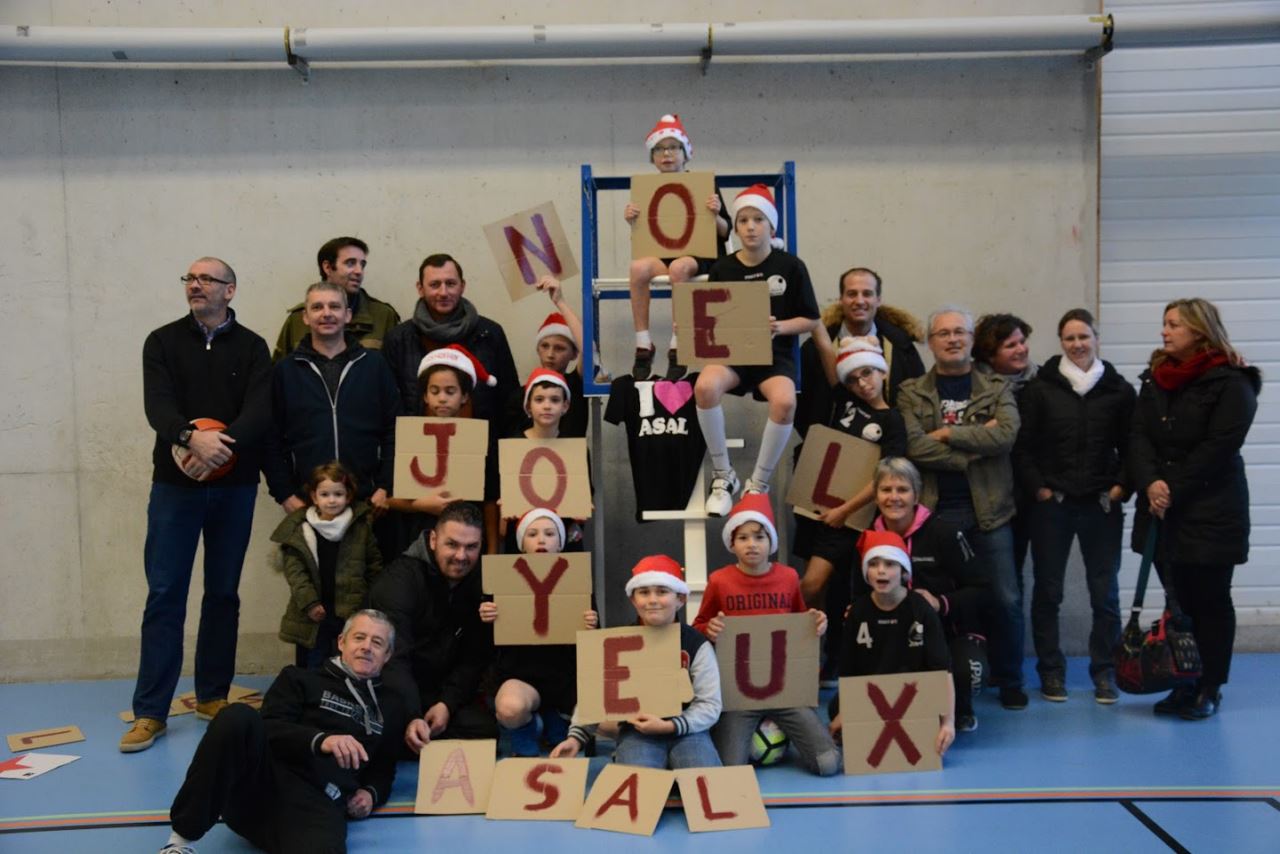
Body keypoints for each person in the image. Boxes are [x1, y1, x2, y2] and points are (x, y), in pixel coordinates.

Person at [122, 257, 272, 754]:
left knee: (223, 593)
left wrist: (218, 448)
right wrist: (190, 439)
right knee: (165, 593)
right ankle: (150, 711)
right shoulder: (161, 342)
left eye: (207, 279)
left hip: (235, 486)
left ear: (230, 290)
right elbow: (158, 406)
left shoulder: (253, 347)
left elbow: (259, 411)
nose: (196, 285)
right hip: (175, 487)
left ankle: (211, 696)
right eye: (190, 278)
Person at [158, 610, 408, 854]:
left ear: (387, 655)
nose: (366, 647)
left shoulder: (390, 706)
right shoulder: (299, 678)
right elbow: (269, 727)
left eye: (377, 643)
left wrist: (370, 793)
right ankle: (178, 842)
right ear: (342, 642)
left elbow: (383, 768)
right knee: (236, 717)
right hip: (263, 782)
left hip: (316, 805)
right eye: (359, 637)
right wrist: (320, 740)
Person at [1130, 298, 1260, 720]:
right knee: (1178, 603)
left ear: (1199, 331)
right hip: (1163, 508)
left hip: (1210, 510)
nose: (1164, 332)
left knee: (1210, 601)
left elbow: (1220, 446)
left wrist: (1172, 488)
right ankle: (1183, 679)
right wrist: (1151, 482)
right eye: (1164, 324)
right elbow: (1138, 436)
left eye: (1174, 325)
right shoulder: (1156, 377)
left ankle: (1209, 686)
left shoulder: (1232, 382)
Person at [897, 306, 1027, 710]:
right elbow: (913, 446)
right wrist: (971, 451)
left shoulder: (996, 387)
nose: (952, 339)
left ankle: (1010, 679)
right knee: (931, 599)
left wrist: (947, 433)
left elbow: (1006, 436)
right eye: (943, 333)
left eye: (960, 332)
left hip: (990, 512)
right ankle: (937, 679)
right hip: (934, 513)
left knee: (1006, 598)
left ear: (972, 339)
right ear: (930, 341)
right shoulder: (911, 391)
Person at [1014, 309, 1134, 704]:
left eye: (1084, 336)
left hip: (1102, 505)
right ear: (1061, 342)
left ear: (1097, 338)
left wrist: (1121, 487)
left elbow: (1134, 446)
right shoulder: (1040, 390)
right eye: (1070, 338)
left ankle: (1105, 672)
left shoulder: (1119, 390)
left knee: (1105, 594)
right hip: (1054, 506)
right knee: (1048, 592)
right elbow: (1023, 448)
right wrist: (1040, 490)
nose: (1077, 344)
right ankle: (1051, 671)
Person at [693, 495, 841, 776]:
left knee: (828, 764)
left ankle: (783, 734)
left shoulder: (788, 577)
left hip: (784, 688)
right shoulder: (719, 580)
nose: (752, 544)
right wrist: (709, 629)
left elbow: (801, 622)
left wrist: (816, 623)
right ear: (732, 543)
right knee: (730, 770)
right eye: (743, 537)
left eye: (759, 537)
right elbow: (698, 626)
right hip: (739, 692)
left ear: (771, 541)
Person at [696, 183, 821, 516]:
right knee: (705, 386)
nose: (750, 227)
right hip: (733, 354)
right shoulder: (722, 268)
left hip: (774, 356)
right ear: (735, 228)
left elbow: (811, 319)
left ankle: (758, 483)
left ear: (771, 226)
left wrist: (780, 327)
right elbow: (709, 318)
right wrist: (691, 328)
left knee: (785, 402)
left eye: (758, 219)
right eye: (743, 220)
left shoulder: (791, 266)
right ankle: (723, 475)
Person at [798, 334, 908, 672]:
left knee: (817, 586)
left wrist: (844, 510)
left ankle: (820, 657)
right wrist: (814, 322)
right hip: (816, 507)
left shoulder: (892, 421)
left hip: (850, 519)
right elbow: (827, 354)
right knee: (820, 590)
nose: (863, 383)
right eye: (855, 378)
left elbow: (884, 476)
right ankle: (808, 659)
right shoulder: (845, 400)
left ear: (882, 371)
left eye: (868, 373)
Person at [855, 457, 990, 732]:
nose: (894, 497)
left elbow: (982, 590)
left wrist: (940, 603)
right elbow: (857, 595)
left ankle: (960, 708)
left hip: (948, 633)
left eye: (902, 490)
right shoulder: (867, 538)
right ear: (876, 496)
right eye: (886, 490)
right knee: (842, 706)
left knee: (970, 673)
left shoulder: (945, 533)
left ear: (916, 495)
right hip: (892, 637)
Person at [551, 555, 722, 769]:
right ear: (633, 600)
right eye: (644, 592)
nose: (652, 600)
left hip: (689, 731)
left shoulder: (696, 644)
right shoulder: (615, 642)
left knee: (701, 769)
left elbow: (710, 703)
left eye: (662, 591)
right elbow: (593, 698)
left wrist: (671, 726)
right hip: (637, 733)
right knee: (639, 774)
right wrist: (575, 738)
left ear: (681, 599)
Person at [263, 280, 398, 520]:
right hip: (307, 502)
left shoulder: (374, 365)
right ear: (305, 317)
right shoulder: (285, 371)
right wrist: (285, 494)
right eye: (317, 307)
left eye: (334, 306)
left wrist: (385, 486)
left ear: (348, 315)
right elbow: (270, 438)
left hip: (368, 501)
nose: (326, 314)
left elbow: (393, 429)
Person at [371, 500, 496, 749]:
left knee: (486, 732)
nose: (461, 556)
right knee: (380, 730)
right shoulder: (399, 581)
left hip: (437, 691)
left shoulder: (481, 581)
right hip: (393, 684)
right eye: (452, 544)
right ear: (433, 540)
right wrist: (412, 714)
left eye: (471, 547)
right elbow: (393, 657)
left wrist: (446, 704)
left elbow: (474, 656)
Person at [479, 508, 598, 756]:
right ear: (521, 544)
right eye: (532, 534)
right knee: (510, 708)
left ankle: (556, 716)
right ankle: (529, 726)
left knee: (609, 718)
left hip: (566, 677)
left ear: (561, 543)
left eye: (550, 534)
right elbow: (488, 643)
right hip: (521, 675)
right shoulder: (504, 579)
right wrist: (487, 618)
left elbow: (596, 647)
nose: (541, 540)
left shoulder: (577, 579)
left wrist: (592, 625)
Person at [829, 531, 956, 760]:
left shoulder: (921, 609)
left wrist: (948, 723)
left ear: (904, 572)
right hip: (874, 695)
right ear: (866, 573)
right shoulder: (857, 612)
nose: (881, 571)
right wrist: (845, 713)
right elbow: (848, 671)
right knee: (835, 707)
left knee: (940, 713)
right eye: (874, 564)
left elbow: (942, 670)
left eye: (889, 564)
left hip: (913, 695)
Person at [626, 113, 730, 381]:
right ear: (652, 157)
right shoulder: (646, 189)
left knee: (680, 268)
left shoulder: (705, 184)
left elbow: (726, 230)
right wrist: (633, 220)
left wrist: (715, 213)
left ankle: (679, 341)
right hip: (664, 255)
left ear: (685, 154)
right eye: (659, 149)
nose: (666, 154)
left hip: (699, 255)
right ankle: (643, 342)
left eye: (673, 147)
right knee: (637, 268)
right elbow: (645, 238)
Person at [382, 345, 501, 551]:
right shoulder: (408, 435)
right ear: (425, 396)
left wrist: (492, 549)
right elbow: (388, 499)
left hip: (467, 538)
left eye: (450, 391)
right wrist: (421, 505)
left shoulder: (481, 438)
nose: (442, 398)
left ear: (464, 396)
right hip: (419, 536)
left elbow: (490, 499)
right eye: (434, 391)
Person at [382, 253, 519, 424]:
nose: (443, 292)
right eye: (434, 285)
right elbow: (386, 404)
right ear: (420, 288)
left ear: (462, 286)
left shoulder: (490, 334)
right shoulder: (398, 339)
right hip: (416, 439)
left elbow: (510, 400)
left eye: (451, 284)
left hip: (481, 439)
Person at [271, 462, 383, 669]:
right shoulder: (299, 529)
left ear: (348, 496)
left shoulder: (360, 526)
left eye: (338, 494)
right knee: (312, 665)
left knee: (346, 664)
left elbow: (373, 566)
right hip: (313, 613)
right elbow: (296, 573)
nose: (332, 500)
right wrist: (310, 603)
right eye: (325, 494)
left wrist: (367, 604)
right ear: (314, 497)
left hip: (350, 611)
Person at [973, 313, 1038, 592]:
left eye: (1022, 341)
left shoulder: (1041, 382)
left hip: (1026, 493)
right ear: (990, 354)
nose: (1021, 349)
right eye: (1011, 345)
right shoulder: (974, 386)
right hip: (987, 493)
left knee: (1013, 575)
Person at [272, 236, 400, 362]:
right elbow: (280, 371)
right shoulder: (298, 320)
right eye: (350, 263)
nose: (359, 271)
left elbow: (394, 370)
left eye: (362, 264)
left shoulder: (383, 316)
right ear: (327, 267)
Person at [504, 275, 589, 438]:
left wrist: (560, 301)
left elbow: (589, 352)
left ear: (574, 353)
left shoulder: (575, 385)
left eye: (559, 348)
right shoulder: (519, 396)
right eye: (545, 346)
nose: (550, 354)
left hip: (572, 455)